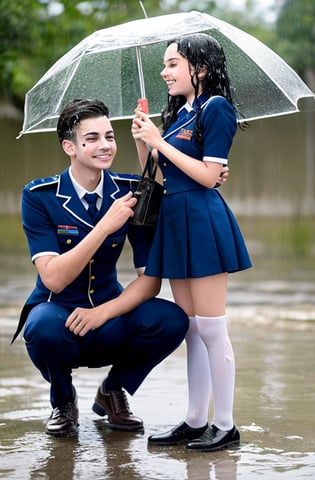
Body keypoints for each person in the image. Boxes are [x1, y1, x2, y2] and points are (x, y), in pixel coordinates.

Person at [11, 98, 190, 438]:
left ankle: (113, 391)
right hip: (58, 316)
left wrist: (102, 313)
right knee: (40, 327)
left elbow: (149, 281)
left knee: (172, 319)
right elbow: (53, 278)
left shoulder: (132, 191)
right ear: (70, 147)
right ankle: (63, 401)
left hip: (109, 315)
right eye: (92, 138)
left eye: (110, 135)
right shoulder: (39, 196)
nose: (105, 145)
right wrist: (103, 227)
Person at [131, 33, 252, 452]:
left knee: (213, 328)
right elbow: (159, 174)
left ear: (199, 68)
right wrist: (143, 139)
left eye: (172, 64)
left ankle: (226, 424)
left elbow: (207, 175)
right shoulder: (178, 114)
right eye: (163, 65)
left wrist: (160, 142)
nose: (164, 72)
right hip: (175, 219)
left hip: (202, 219)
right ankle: (196, 420)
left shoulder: (216, 108)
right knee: (192, 329)